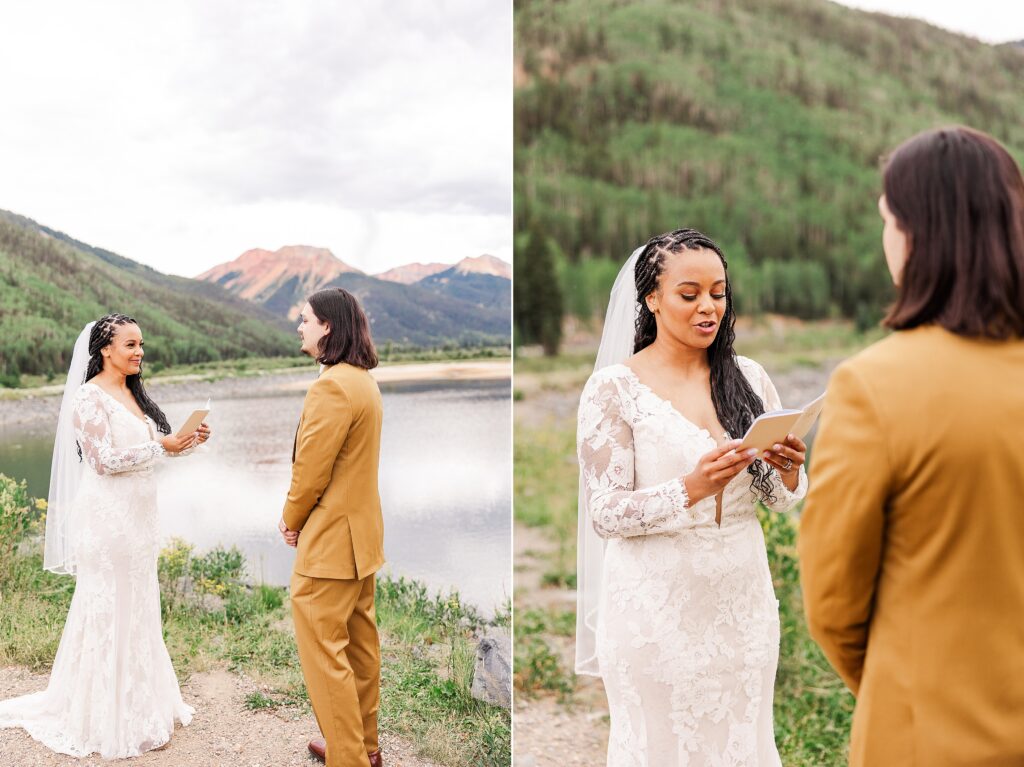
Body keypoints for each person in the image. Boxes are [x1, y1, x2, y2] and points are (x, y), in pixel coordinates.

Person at [798, 126, 1024, 766]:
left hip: (928, 738)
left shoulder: (874, 386)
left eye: (888, 221)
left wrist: (902, 688)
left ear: (917, 235)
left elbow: (834, 604)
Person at [576, 228, 808, 766]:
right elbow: (606, 513)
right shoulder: (614, 389)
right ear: (652, 299)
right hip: (656, 609)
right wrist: (692, 488)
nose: (709, 308)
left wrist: (790, 472)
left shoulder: (748, 377)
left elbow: (777, 500)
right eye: (690, 294)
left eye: (719, 293)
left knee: (741, 745)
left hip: (743, 604)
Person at [0, 313, 210, 758]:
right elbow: (102, 460)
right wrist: (161, 446)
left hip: (139, 518)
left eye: (141, 345)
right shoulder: (88, 397)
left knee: (137, 603)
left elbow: (153, 453)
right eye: (131, 345)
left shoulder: (133, 394)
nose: (139, 352)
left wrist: (186, 441)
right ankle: (102, 717)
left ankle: (141, 703)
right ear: (105, 350)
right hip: (107, 520)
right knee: (108, 606)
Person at [278, 288, 385, 767]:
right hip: (362, 539)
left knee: (325, 655)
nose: (300, 327)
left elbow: (312, 472)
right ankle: (366, 746)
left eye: (306, 320)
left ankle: (348, 758)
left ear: (328, 327)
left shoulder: (331, 386)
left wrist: (289, 518)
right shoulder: (362, 381)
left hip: (331, 542)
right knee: (360, 647)